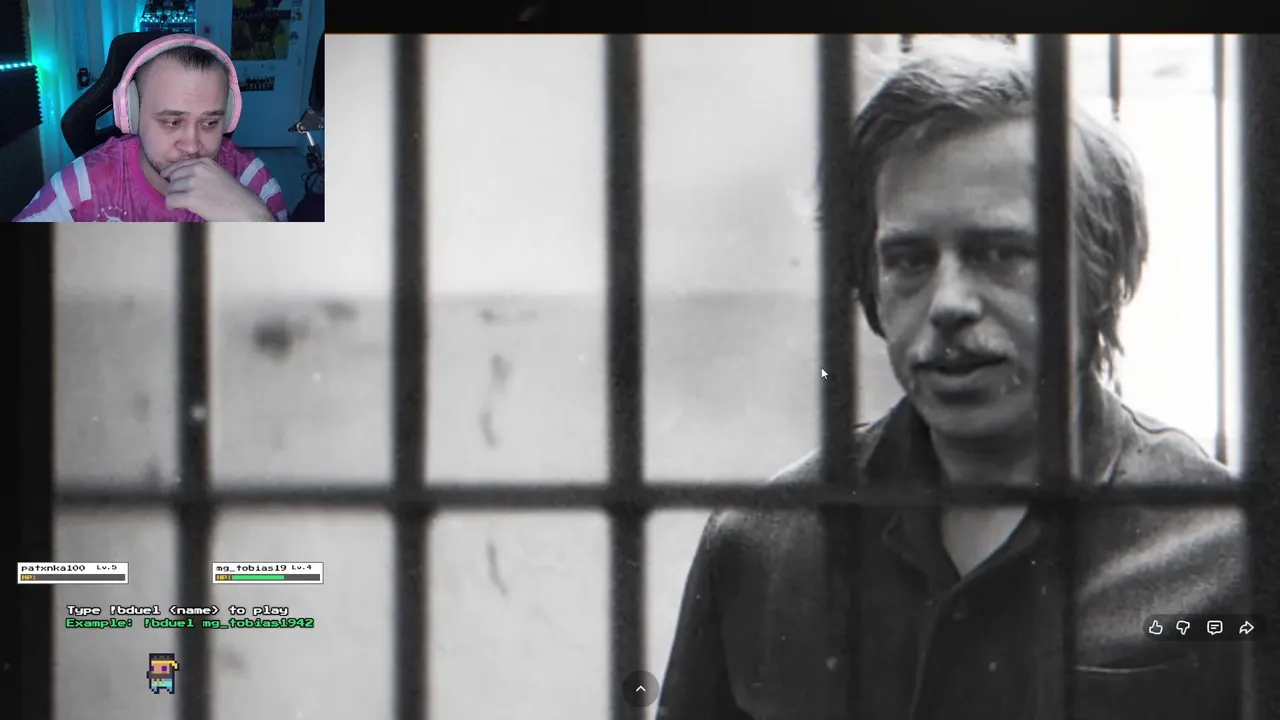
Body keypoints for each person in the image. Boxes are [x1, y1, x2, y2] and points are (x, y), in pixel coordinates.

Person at [657, 36, 1248, 720]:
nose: (949, 304)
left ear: (1098, 274)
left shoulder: (1228, 556)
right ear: (870, 284)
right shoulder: (762, 547)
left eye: (1000, 252)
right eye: (909, 260)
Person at [14, 35, 288, 222]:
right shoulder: (84, 184)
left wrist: (255, 220)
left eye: (209, 122)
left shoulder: (253, 181)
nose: (192, 146)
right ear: (132, 117)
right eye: (172, 122)